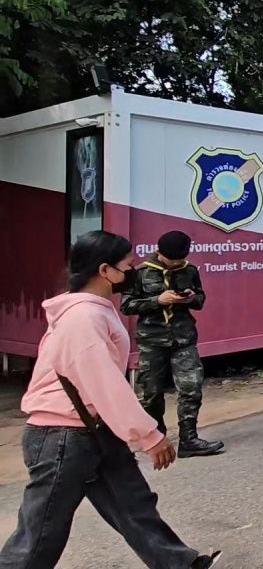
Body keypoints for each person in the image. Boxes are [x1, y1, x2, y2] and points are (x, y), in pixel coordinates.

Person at [0, 231, 221, 568]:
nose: (133, 271)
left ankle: (179, 564)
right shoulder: (83, 317)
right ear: (105, 271)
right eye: (128, 266)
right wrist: (148, 435)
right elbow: (104, 383)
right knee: (41, 531)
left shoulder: (92, 310)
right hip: (63, 435)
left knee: (133, 504)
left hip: (94, 427)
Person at [122, 231, 223, 458]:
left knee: (191, 387)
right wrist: (157, 300)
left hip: (183, 338)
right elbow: (127, 305)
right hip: (152, 340)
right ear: (158, 251)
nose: (175, 264)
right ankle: (156, 439)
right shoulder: (140, 273)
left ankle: (189, 439)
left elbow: (200, 299)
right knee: (151, 393)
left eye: (179, 260)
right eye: (171, 260)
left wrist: (191, 298)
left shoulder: (190, 270)